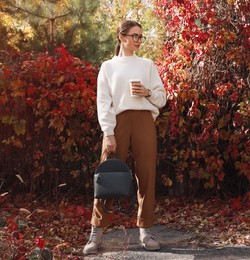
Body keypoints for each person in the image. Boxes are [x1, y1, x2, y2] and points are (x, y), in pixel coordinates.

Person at [83, 20, 167, 255]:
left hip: (143, 121)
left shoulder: (148, 65)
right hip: (118, 121)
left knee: (147, 174)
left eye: (141, 37)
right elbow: (103, 102)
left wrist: (147, 92)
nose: (139, 41)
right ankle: (96, 233)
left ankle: (145, 230)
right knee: (107, 175)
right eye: (135, 36)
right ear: (122, 37)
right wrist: (108, 132)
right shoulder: (108, 67)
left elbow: (162, 98)